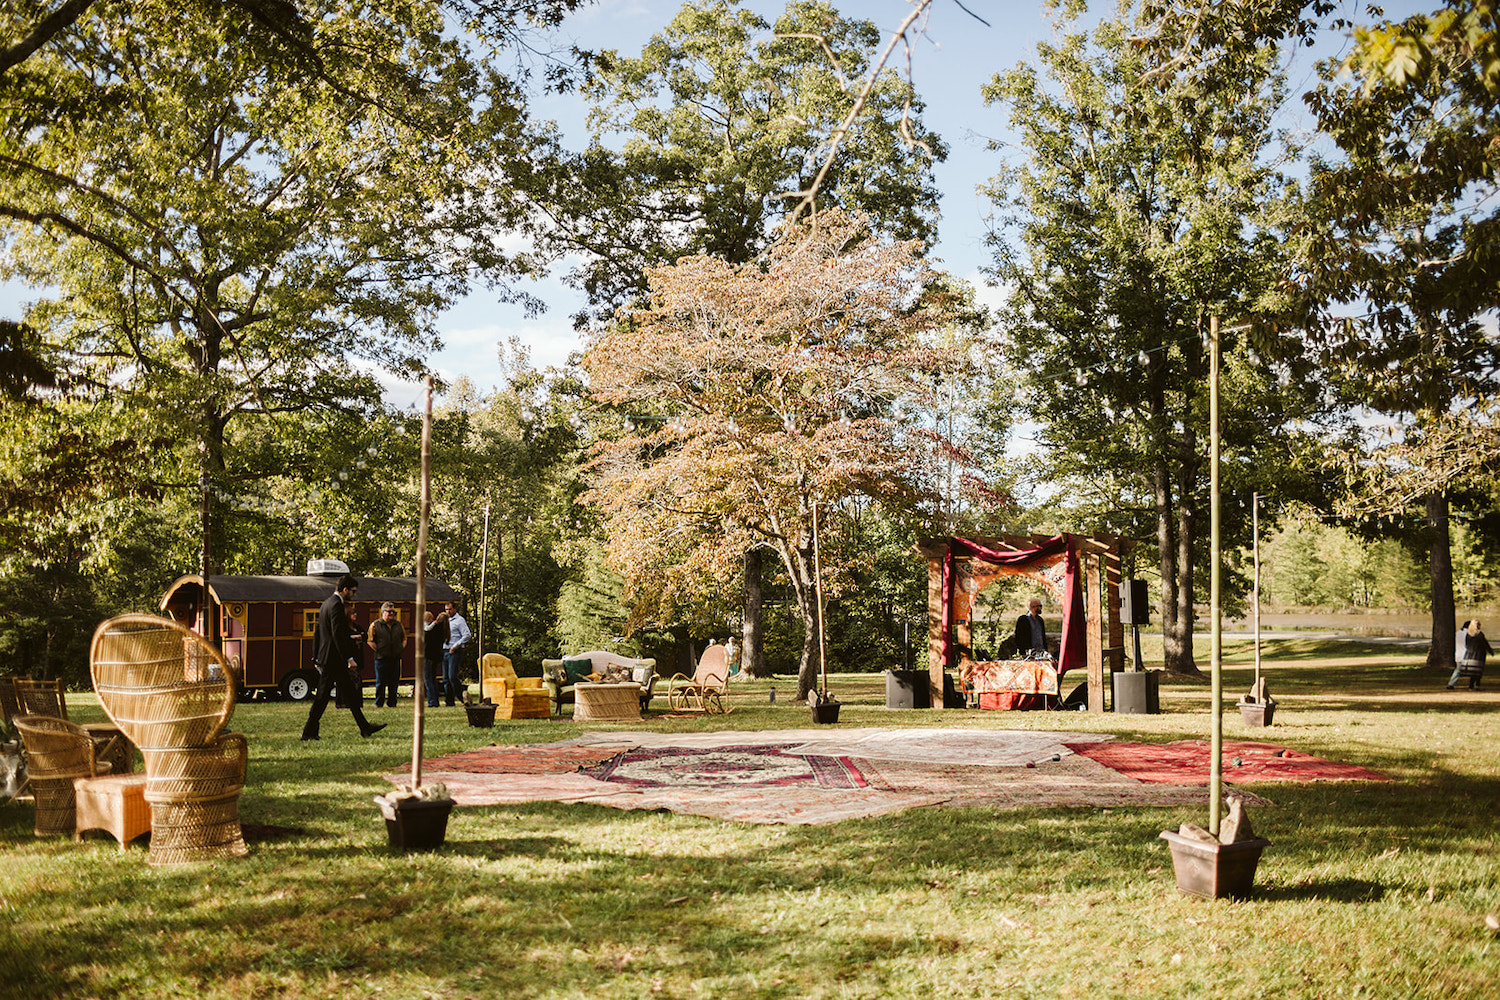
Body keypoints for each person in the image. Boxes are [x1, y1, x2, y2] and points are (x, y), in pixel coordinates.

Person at [302, 574, 387, 740]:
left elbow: (320, 632)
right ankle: (308, 732)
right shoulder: (336, 605)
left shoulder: (326, 603)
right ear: (345, 589)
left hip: (329, 658)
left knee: (348, 694)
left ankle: (364, 727)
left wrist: (316, 656)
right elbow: (337, 634)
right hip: (334, 659)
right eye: (353, 591)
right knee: (322, 697)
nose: (354, 594)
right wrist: (349, 658)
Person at [367, 602, 407, 708]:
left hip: (395, 657)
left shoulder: (398, 624)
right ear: (383, 612)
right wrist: (379, 650)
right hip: (381, 658)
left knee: (394, 682)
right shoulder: (375, 625)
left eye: (393, 612)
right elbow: (370, 641)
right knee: (380, 682)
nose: (391, 614)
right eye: (389, 611)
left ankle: (392, 702)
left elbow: (404, 638)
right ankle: (379, 702)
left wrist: (401, 648)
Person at [1448, 619, 1491, 690]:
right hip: (1470, 655)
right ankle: (1473, 685)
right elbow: (1482, 644)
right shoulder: (1475, 634)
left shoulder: (1459, 633)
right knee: (1474, 671)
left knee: (1460, 670)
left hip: (1463, 654)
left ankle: (1452, 684)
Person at [443, 600, 470, 707]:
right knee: (446, 679)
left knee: (452, 676)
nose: (448, 612)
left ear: (454, 609)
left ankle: (463, 698)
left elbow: (467, 635)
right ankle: (449, 702)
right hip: (445, 650)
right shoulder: (445, 620)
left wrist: (456, 645)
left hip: (455, 651)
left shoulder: (459, 621)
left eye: (450, 609)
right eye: (446, 610)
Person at [423, 608, 449, 708]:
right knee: (433, 679)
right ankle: (435, 701)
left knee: (428, 679)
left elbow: (426, 636)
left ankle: (432, 701)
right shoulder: (444, 630)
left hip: (428, 655)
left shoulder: (432, 629)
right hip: (437, 656)